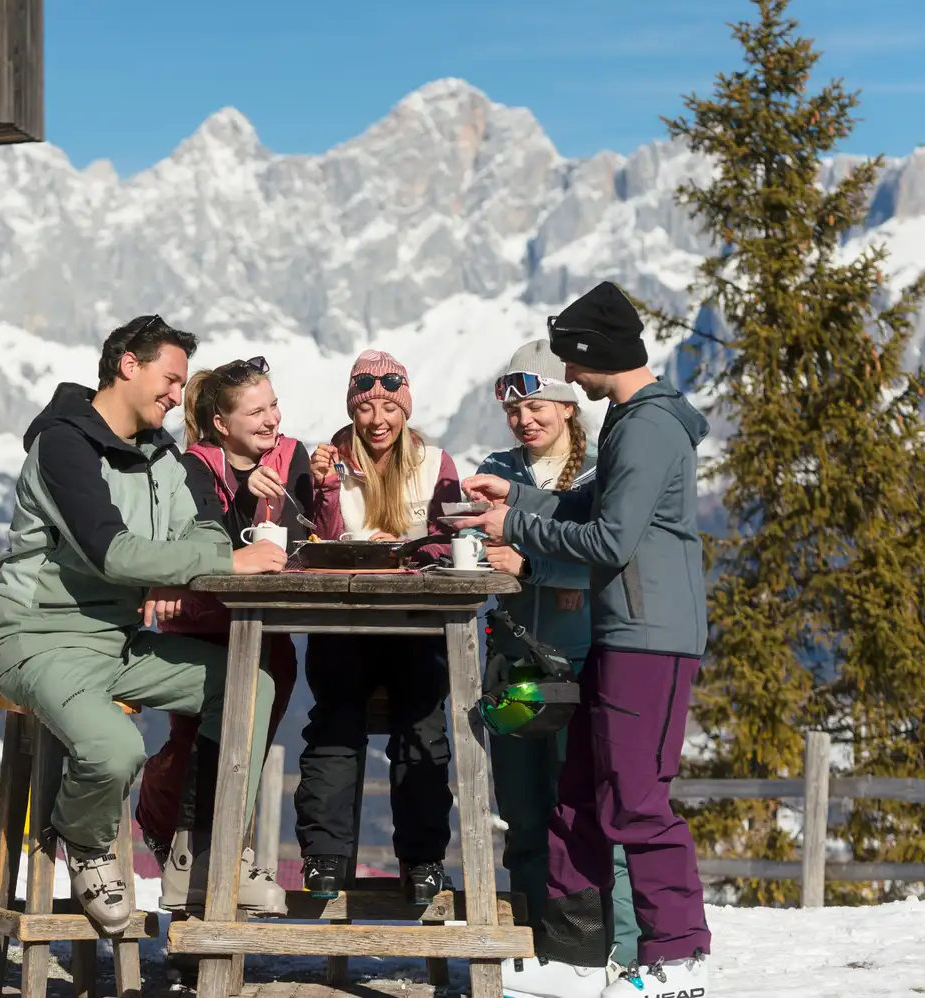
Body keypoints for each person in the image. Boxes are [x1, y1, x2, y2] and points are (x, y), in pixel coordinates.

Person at [0, 315, 287, 933]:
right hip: (38, 643)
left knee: (249, 683)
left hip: (116, 643)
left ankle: (199, 848)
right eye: (171, 380)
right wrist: (224, 561)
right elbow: (112, 553)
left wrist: (199, 552)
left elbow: (201, 521)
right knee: (116, 748)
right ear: (129, 364)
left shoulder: (161, 455)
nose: (179, 396)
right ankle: (87, 841)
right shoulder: (64, 447)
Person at [459, 283, 711, 998]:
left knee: (636, 799)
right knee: (576, 794)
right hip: (621, 631)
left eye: (572, 361)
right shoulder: (631, 421)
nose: (568, 375)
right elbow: (584, 503)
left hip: (652, 636)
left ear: (598, 354)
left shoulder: (648, 426)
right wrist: (516, 500)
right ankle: (572, 956)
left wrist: (515, 531)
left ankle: (674, 956)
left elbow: (608, 538)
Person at [476, 339, 638, 971]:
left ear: (569, 405)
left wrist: (535, 565)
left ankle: (611, 947)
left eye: (539, 403)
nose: (527, 419)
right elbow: (481, 548)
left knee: (589, 811)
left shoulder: (600, 472)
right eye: (515, 409)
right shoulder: (498, 467)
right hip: (513, 666)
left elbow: (605, 558)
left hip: (580, 668)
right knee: (521, 812)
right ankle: (533, 948)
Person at [136, 356, 312, 919]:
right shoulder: (193, 465)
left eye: (273, 405)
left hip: (267, 629)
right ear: (221, 423)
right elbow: (208, 534)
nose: (271, 419)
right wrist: (240, 486)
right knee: (204, 748)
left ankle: (211, 859)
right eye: (255, 411)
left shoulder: (294, 454)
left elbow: (308, 532)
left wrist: (305, 494)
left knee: (247, 753)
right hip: (203, 627)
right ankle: (196, 855)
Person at [294, 349, 462, 905]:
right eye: (366, 409)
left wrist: (411, 557)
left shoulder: (435, 462)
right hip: (342, 619)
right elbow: (313, 543)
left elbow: (447, 537)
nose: (378, 420)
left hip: (415, 621)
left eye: (389, 406)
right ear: (353, 412)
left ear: (405, 408)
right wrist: (319, 488)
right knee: (334, 725)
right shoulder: (330, 463)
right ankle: (324, 858)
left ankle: (423, 861)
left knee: (423, 729)